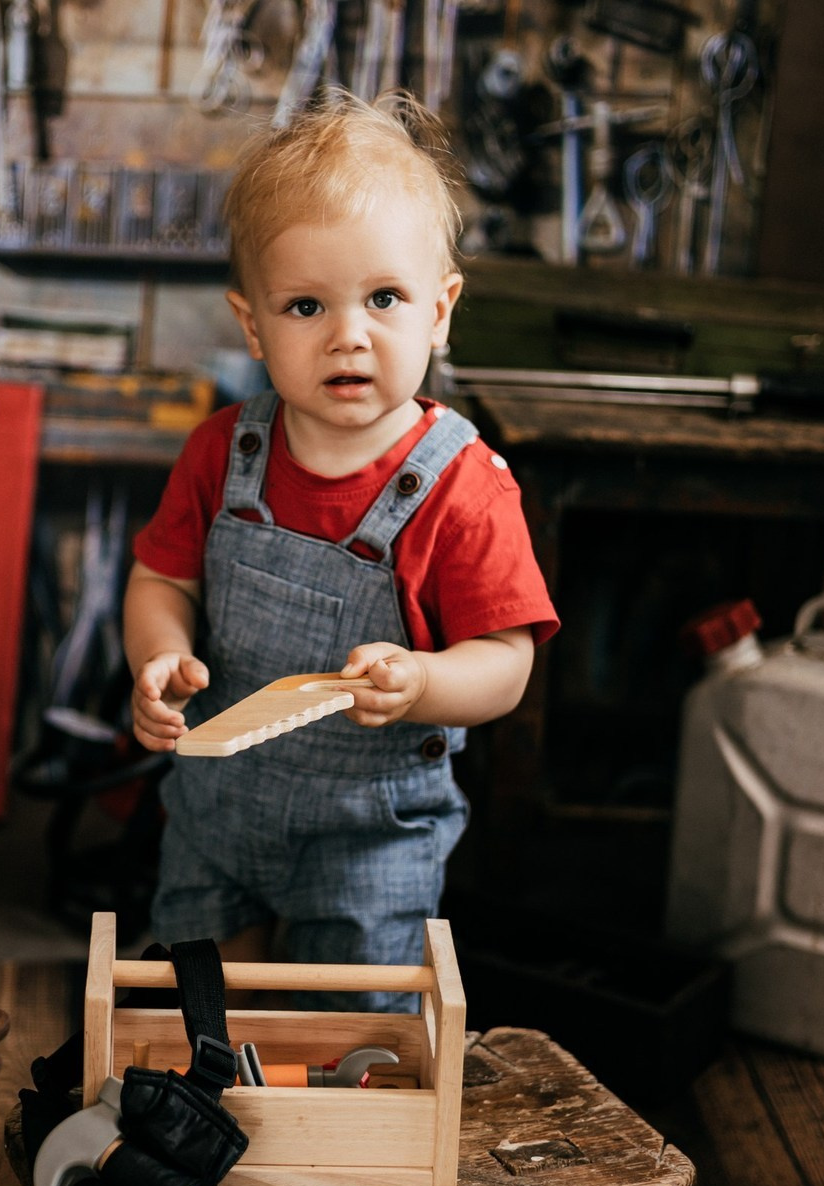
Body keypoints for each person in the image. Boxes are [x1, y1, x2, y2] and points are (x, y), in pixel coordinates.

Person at [122, 88, 559, 1010]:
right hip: (217, 811)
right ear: (254, 325)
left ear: (440, 312)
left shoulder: (463, 485)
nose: (348, 334)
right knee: (204, 1003)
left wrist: (425, 684)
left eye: (385, 298)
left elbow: (507, 665)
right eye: (307, 305)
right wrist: (158, 653)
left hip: (370, 837)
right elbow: (162, 577)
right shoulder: (222, 451)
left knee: (350, 1026)